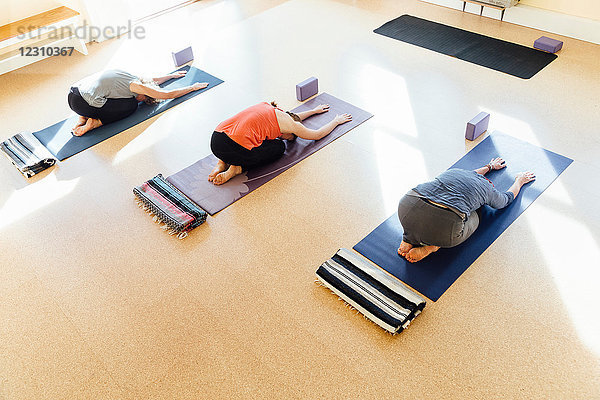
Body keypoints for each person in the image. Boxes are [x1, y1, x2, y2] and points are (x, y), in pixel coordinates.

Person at [397, 157, 536, 263]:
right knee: (476, 214)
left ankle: (408, 238)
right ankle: (431, 247)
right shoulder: (487, 190)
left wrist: (490, 166)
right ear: (489, 183)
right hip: (444, 229)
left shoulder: (454, 172)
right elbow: (506, 199)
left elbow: (473, 173)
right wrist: (520, 180)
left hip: (407, 205)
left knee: (422, 212)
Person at [207, 101, 352, 185]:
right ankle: (236, 168)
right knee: (278, 148)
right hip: (235, 149)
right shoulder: (291, 126)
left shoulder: (268, 107)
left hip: (216, 140)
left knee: (248, 135)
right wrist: (336, 121)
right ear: (291, 132)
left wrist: (314, 111)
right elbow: (318, 135)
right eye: (287, 137)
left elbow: (292, 117)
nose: (282, 137)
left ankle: (221, 163)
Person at [68, 69, 208, 136]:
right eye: (146, 98)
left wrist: (171, 75)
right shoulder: (137, 88)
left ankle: (83, 117)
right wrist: (192, 87)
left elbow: (152, 79)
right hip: (83, 103)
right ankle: (94, 122)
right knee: (130, 105)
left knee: (111, 95)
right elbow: (167, 95)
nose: (142, 100)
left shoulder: (131, 77)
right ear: (146, 92)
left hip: (72, 95)